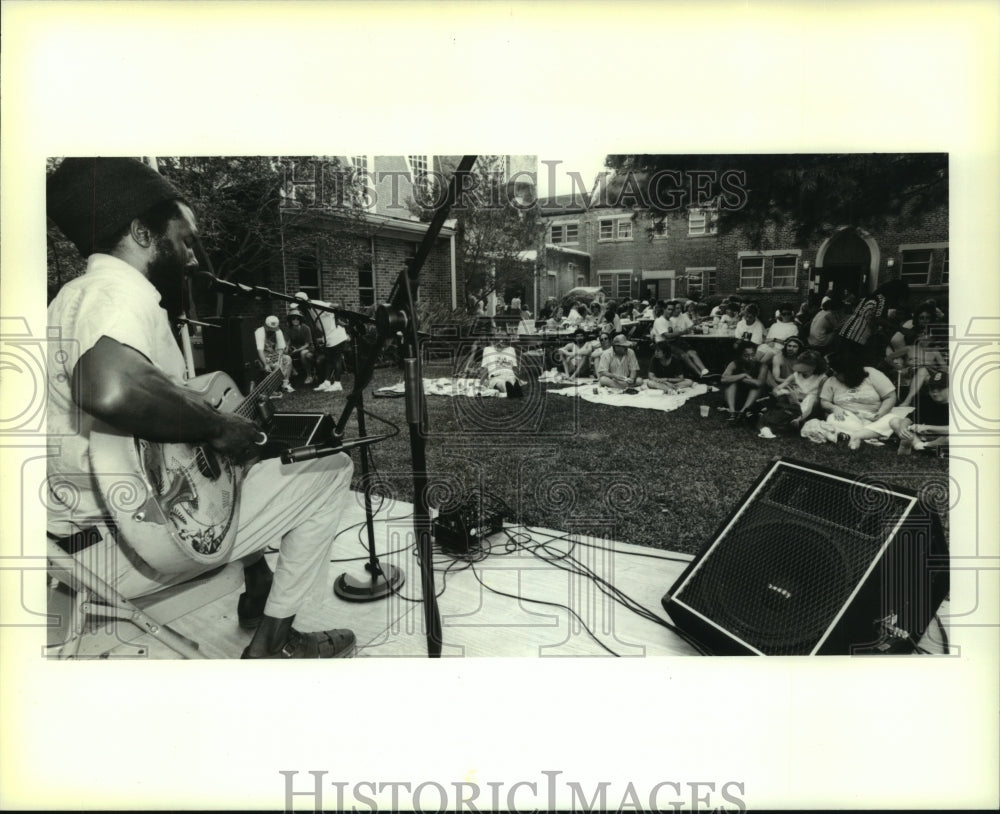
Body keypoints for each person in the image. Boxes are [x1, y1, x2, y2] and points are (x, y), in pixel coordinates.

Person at [45, 157, 356, 659]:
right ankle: (273, 646)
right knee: (331, 469)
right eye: (185, 240)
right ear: (143, 234)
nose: (192, 258)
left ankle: (258, 587)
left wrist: (215, 427)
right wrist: (216, 427)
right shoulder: (117, 294)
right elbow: (108, 390)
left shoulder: (73, 297)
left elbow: (150, 419)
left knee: (232, 474)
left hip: (78, 541)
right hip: (126, 546)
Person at [813, 351, 898, 449]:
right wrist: (834, 408)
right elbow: (824, 401)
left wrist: (880, 414)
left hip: (874, 416)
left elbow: (890, 397)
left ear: (849, 371)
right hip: (849, 417)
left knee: (893, 418)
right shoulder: (831, 380)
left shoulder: (872, 373)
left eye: (837, 372)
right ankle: (870, 435)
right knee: (832, 419)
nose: (834, 374)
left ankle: (857, 435)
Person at [837, 279, 910, 364]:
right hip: (856, 336)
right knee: (853, 364)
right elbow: (878, 319)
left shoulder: (870, 297)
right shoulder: (882, 299)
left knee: (843, 363)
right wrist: (900, 329)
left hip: (846, 333)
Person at [758, 349, 827, 437]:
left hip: (811, 402)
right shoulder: (796, 375)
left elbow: (820, 397)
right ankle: (774, 416)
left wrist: (801, 397)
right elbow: (781, 386)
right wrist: (778, 391)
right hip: (795, 398)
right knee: (783, 393)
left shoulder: (822, 377)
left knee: (811, 398)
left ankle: (797, 419)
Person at [295, 291, 350, 393]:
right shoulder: (309, 309)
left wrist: (336, 320)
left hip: (337, 336)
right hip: (328, 337)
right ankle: (327, 382)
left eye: (299, 306)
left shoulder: (317, 304)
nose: (298, 308)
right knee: (329, 359)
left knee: (336, 359)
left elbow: (338, 306)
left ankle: (337, 384)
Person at [891, 370, 950, 453]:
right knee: (895, 421)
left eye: (940, 388)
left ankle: (923, 446)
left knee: (953, 438)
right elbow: (909, 419)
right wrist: (903, 429)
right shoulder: (926, 400)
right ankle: (920, 446)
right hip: (925, 436)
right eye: (932, 388)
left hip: (943, 437)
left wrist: (927, 427)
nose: (935, 391)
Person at [720, 340, 768, 422]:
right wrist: (743, 375)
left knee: (756, 387)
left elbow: (759, 383)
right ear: (740, 356)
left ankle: (742, 412)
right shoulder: (734, 363)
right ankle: (732, 412)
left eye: (753, 355)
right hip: (737, 396)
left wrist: (739, 379)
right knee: (731, 384)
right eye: (746, 356)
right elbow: (723, 379)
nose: (750, 358)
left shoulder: (762, 366)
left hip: (753, 399)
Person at [254, 315, 294, 395]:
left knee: (288, 359)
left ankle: (285, 384)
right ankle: (272, 390)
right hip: (261, 356)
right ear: (266, 325)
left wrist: (278, 360)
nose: (273, 330)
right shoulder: (259, 332)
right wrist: (266, 364)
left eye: (274, 328)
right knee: (274, 366)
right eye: (271, 328)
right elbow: (260, 350)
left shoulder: (278, 331)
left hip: (273, 354)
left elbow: (281, 348)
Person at [479, 332, 523, 397]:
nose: (501, 343)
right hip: (495, 376)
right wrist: (482, 383)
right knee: (501, 383)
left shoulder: (511, 349)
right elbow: (484, 367)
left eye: (504, 341)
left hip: (509, 374)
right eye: (499, 341)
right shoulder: (487, 350)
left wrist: (517, 377)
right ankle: (511, 391)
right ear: (495, 341)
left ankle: (514, 389)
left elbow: (514, 366)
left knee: (511, 380)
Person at [285, 311, 316, 385]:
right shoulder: (289, 329)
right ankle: (293, 371)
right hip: (296, 348)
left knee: (303, 353)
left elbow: (307, 344)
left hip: (308, 348)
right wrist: (286, 348)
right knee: (285, 354)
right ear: (290, 320)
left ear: (300, 320)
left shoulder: (306, 328)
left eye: (297, 319)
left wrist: (297, 350)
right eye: (293, 319)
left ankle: (309, 376)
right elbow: (288, 341)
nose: (295, 321)